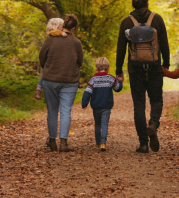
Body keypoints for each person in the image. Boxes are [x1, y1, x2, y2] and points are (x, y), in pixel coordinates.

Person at [115, 0, 170, 153]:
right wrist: (165, 64)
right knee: (156, 100)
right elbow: (164, 44)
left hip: (135, 68)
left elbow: (121, 48)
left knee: (139, 104)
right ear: (147, 3)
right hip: (154, 67)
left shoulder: (127, 22)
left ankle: (143, 143)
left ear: (133, 4)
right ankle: (153, 123)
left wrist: (119, 70)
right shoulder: (157, 19)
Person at [39, 14, 83, 152]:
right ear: (74, 28)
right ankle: (63, 142)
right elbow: (80, 61)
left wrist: (49, 67)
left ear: (64, 25)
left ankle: (52, 141)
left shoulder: (50, 39)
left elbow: (42, 58)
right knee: (65, 112)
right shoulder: (76, 43)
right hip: (69, 81)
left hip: (50, 80)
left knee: (52, 111)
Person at [81, 57, 123, 152]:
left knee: (97, 124)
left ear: (96, 68)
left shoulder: (93, 79)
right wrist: (120, 82)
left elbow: (87, 92)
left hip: (96, 106)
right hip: (107, 106)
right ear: (108, 68)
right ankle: (103, 143)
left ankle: (97, 143)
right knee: (104, 123)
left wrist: (84, 103)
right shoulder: (110, 78)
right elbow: (117, 89)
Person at [34, 18, 67, 100]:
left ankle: (38, 88)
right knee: (46, 73)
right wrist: (62, 33)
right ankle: (38, 89)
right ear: (57, 26)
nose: (63, 27)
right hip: (53, 62)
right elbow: (54, 33)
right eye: (62, 25)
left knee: (45, 73)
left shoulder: (52, 35)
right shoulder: (53, 34)